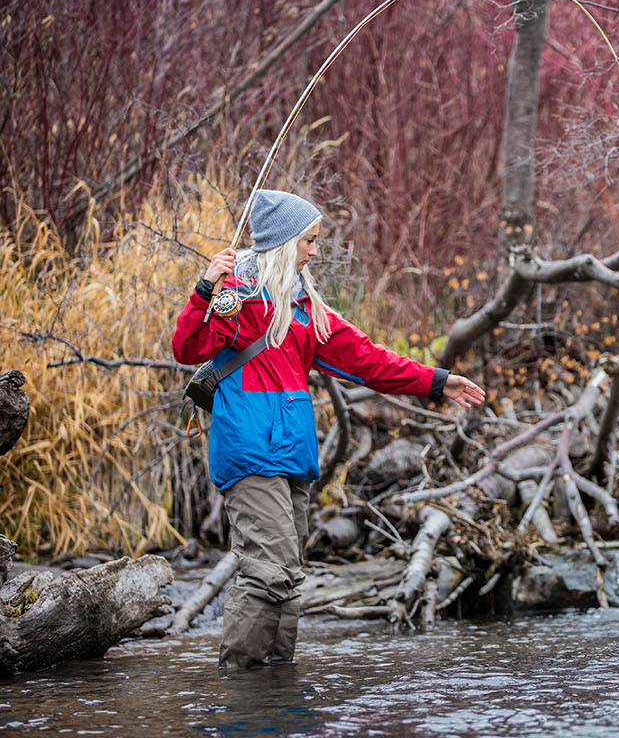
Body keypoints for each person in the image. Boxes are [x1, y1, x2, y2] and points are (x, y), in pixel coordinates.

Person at [172, 189, 485, 670]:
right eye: (309, 241)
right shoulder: (239, 300)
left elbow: (369, 361)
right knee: (267, 573)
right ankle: (239, 689)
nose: (315, 252)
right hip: (249, 453)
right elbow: (187, 348)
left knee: (290, 577)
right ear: (282, 243)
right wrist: (206, 287)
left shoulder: (306, 309)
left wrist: (438, 382)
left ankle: (277, 686)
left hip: (294, 456)